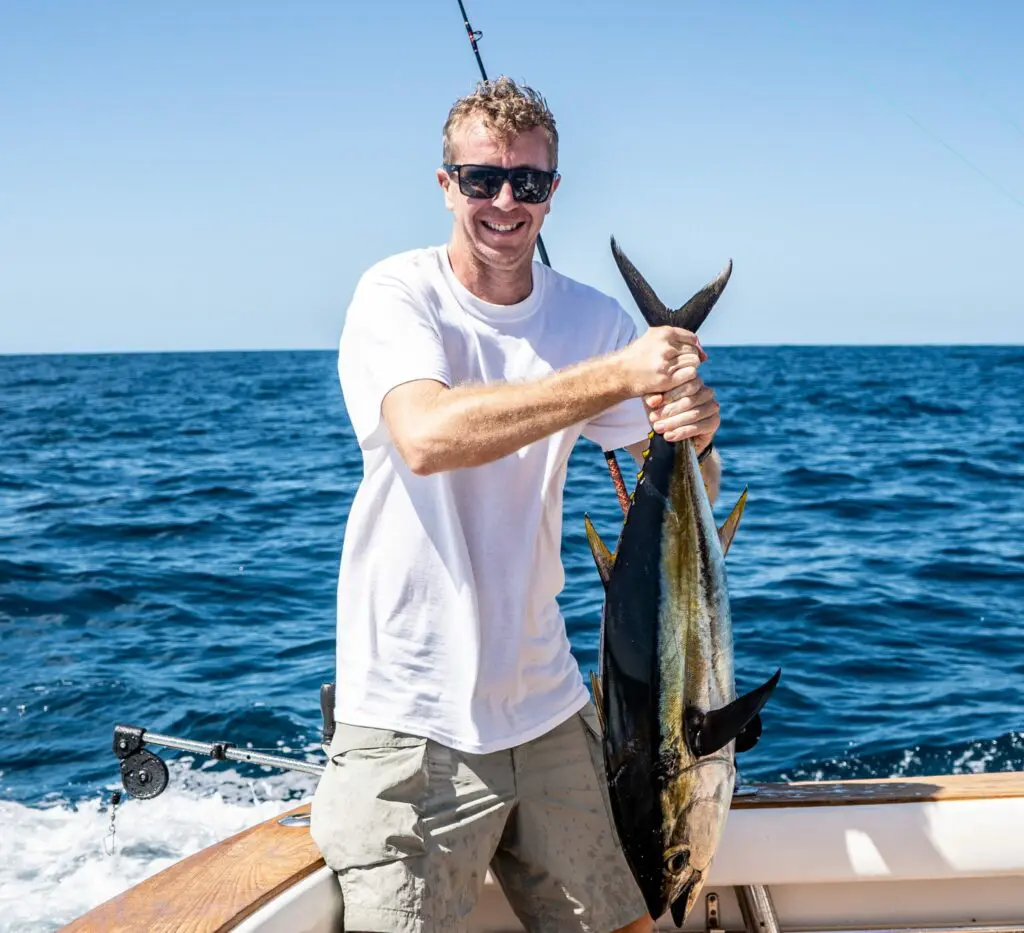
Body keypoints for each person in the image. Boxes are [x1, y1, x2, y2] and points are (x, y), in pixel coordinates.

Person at [311, 76, 723, 933]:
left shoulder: (593, 319)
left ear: (553, 192)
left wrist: (697, 435)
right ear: (444, 184)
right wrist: (619, 374)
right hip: (409, 720)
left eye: (528, 183)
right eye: (481, 179)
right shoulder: (398, 295)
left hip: (549, 708)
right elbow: (425, 436)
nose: (506, 201)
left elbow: (693, 493)